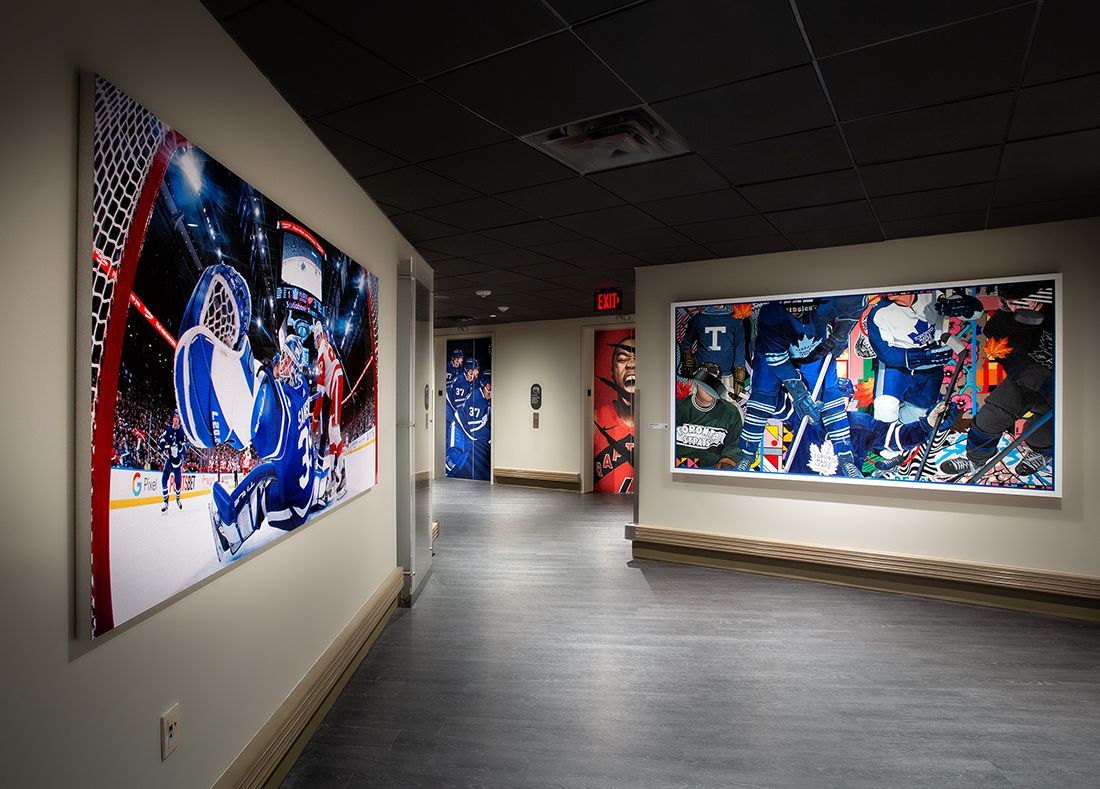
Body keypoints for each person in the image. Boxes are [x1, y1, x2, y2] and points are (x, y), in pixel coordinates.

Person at [174, 264, 319, 560]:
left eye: (285, 360)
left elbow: (259, 427)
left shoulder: (284, 402)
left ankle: (231, 525)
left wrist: (247, 394)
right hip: (308, 495)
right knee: (275, 466)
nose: (281, 364)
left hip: (290, 506)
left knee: (265, 475)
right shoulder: (301, 392)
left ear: (292, 364)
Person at [736, 296, 865, 477]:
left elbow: (856, 302)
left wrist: (841, 333)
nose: (797, 310)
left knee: (829, 393)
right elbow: (777, 360)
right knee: (763, 395)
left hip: (814, 350)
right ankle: (746, 455)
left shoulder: (825, 304)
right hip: (774, 355)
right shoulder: (771, 316)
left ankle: (845, 459)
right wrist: (800, 395)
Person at [939, 281, 1055, 479]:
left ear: (1041, 296)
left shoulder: (1067, 310)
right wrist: (1043, 382)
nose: (1015, 308)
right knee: (990, 417)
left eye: (1022, 302)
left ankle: (1042, 452)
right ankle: (975, 460)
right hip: (1028, 379)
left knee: (1044, 430)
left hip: (1068, 384)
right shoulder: (998, 327)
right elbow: (1013, 362)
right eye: (1011, 303)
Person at [865, 290, 982, 460]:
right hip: (896, 369)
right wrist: (921, 356)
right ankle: (886, 454)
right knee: (885, 406)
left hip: (930, 371)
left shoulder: (936, 295)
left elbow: (976, 312)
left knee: (918, 414)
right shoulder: (878, 314)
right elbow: (885, 353)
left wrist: (963, 306)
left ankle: (899, 450)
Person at [674, 363, 742, 469]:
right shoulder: (678, 408)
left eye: (715, 384)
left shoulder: (730, 412)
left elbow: (732, 448)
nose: (710, 389)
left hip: (713, 470)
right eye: (705, 384)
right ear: (697, 383)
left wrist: (726, 464)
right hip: (679, 468)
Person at [679, 304, 748, 399]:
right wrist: (688, 363)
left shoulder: (735, 320)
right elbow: (686, 343)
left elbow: (739, 348)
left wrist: (739, 378)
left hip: (724, 374)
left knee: (725, 408)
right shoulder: (698, 319)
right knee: (695, 406)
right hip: (701, 374)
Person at [594, 336, 636, 492]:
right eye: (623, 359)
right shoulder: (596, 419)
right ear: (612, 372)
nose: (631, 365)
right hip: (600, 509)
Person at [466, 369, 492, 480]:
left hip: (477, 428)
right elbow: (473, 427)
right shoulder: (476, 399)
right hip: (465, 430)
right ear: (488, 386)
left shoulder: (487, 399)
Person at [158, 412, 186, 511]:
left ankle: (178, 498)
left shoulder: (182, 431)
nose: (176, 420)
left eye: (177, 418)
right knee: (163, 480)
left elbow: (184, 446)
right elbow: (161, 439)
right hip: (169, 460)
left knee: (178, 483)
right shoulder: (168, 429)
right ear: (172, 419)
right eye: (174, 418)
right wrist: (162, 445)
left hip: (177, 461)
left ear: (179, 420)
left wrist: (178, 449)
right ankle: (165, 502)